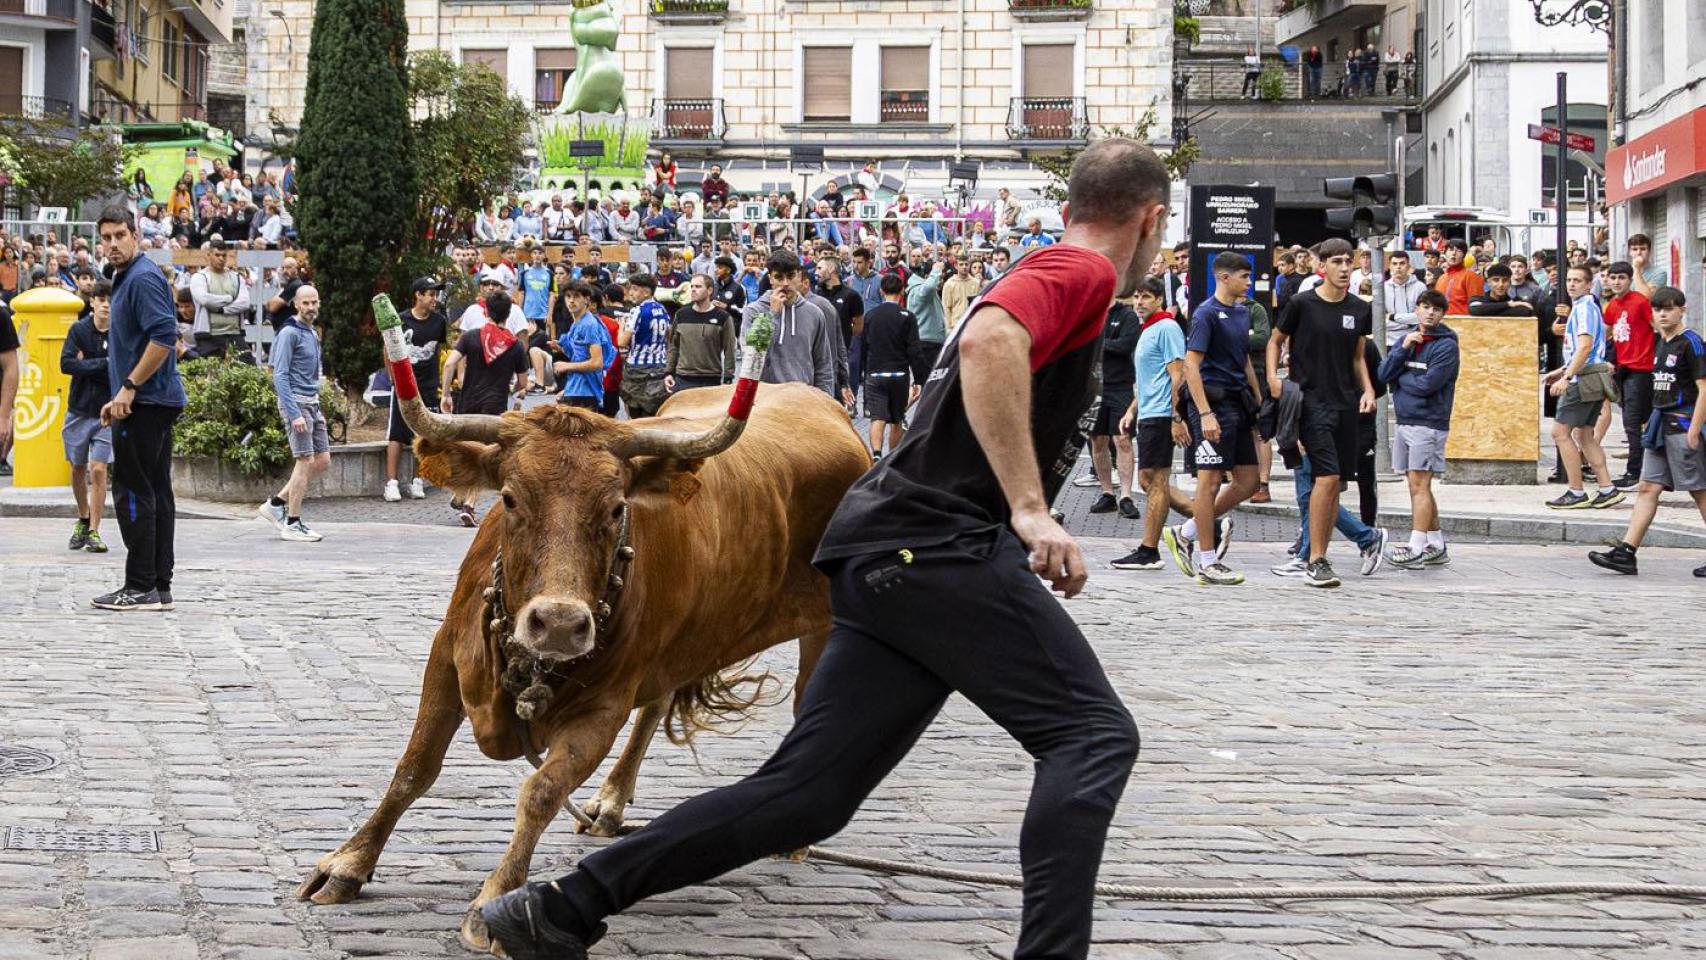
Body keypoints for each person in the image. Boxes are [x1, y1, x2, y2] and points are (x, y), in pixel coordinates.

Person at [483, 136, 1169, 960]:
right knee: (1092, 737)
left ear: (1067, 207)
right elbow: (990, 343)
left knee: (809, 795)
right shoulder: (1085, 271)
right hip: (936, 546)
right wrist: (1029, 507)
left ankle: (557, 908)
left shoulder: (1054, 266)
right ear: (1151, 220)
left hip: (888, 551)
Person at [92, 206, 188, 611]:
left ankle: (140, 585)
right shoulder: (127, 277)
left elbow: (165, 337)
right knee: (156, 492)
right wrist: (118, 394)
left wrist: (129, 388)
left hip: (145, 402)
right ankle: (158, 585)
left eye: (119, 236)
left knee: (133, 491)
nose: (113, 244)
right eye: (106, 237)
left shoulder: (143, 277)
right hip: (146, 400)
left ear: (136, 235)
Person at [1267, 238, 1377, 588]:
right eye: (1338, 262)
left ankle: (1317, 555)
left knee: (1337, 484)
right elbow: (1275, 340)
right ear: (1322, 267)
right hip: (1310, 402)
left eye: (1350, 261)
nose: (1345, 268)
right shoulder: (1301, 303)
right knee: (1325, 478)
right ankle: (1315, 558)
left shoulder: (1360, 308)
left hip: (1346, 402)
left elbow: (1358, 355)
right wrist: (1273, 379)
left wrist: (1369, 390)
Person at [1588, 287, 1706, 577]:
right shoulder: (1659, 343)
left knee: (1699, 491)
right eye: (1658, 309)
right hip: (1659, 425)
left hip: (1682, 424)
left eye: (1669, 308)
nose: (1663, 314)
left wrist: (1694, 429)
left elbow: (1704, 389)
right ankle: (1626, 553)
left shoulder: (1692, 343)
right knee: (1647, 487)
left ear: (1682, 310)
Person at [1163, 252, 1260, 584]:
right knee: (1210, 482)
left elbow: (1244, 360)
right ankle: (1207, 561)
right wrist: (1203, 413)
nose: (1249, 283)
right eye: (1244, 277)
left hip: (1238, 403)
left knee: (1248, 481)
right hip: (1212, 404)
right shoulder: (1205, 314)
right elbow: (1191, 366)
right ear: (1224, 278)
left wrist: (1259, 400)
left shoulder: (1243, 312)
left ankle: (1186, 531)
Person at [1112, 278, 1192, 570]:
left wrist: (1175, 417)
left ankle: (1149, 551)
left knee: (1154, 480)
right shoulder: (1147, 330)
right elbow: (1148, 378)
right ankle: (1209, 522)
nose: (1139, 303)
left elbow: (1177, 375)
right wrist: (1132, 410)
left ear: (1159, 299)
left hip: (1161, 414)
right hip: (1147, 412)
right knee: (1148, 480)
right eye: (1136, 297)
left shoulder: (1167, 327)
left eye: (1145, 297)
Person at [1378, 289, 1459, 567]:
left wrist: (1400, 382)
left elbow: (1428, 385)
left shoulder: (1446, 345)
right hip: (1404, 421)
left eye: (1436, 309)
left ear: (1443, 313)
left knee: (1420, 485)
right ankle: (1435, 543)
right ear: (1416, 309)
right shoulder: (1406, 340)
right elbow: (1383, 374)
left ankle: (1415, 546)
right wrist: (1402, 352)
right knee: (1416, 485)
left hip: (1429, 423)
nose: (1430, 312)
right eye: (1425, 307)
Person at [443, 292, 530, 525]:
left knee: (465, 448)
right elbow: (523, 383)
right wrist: (510, 388)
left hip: (467, 403)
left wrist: (446, 394)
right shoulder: (515, 346)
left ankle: (462, 494)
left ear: (485, 311)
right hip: (495, 407)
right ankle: (469, 504)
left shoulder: (470, 337)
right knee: (482, 453)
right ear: (509, 314)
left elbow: (450, 363)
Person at [1545, 264, 1624, 510]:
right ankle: (1607, 488)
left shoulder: (1585, 308)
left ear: (1589, 285)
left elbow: (1586, 347)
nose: (1571, 284)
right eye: (1569, 280)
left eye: (1578, 280)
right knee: (1584, 434)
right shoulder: (1583, 307)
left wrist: (1566, 377)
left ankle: (1576, 491)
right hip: (1590, 377)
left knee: (1560, 433)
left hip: (1582, 380)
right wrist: (1559, 371)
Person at [256, 286, 330, 543]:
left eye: (314, 302)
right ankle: (293, 522)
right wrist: (293, 412)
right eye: (306, 303)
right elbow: (279, 374)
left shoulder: (311, 332)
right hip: (297, 404)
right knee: (304, 461)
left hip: (312, 402)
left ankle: (276, 504)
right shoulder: (289, 332)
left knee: (322, 461)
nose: (311, 307)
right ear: (296, 304)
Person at [60, 279, 115, 553]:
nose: (105, 304)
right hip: (79, 409)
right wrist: (103, 364)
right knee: (77, 467)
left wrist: (88, 364)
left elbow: (122, 366)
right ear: (92, 302)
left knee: (99, 468)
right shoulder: (78, 330)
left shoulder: (120, 333)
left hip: (108, 411)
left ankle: (94, 529)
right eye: (100, 298)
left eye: (110, 299)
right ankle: (83, 516)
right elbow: (67, 364)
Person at [382, 278, 448, 502]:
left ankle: (418, 479)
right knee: (397, 432)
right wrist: (393, 378)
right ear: (418, 295)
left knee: (424, 432)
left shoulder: (439, 321)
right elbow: (387, 349)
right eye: (430, 294)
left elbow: (440, 349)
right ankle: (391, 482)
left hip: (428, 385)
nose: (434, 299)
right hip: (403, 383)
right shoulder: (401, 320)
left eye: (435, 294)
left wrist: (440, 383)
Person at [740, 250, 837, 398]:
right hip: (765, 402)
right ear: (770, 279)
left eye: (791, 276)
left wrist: (825, 402)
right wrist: (773, 315)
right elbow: (752, 358)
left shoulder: (815, 313)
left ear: (799, 276)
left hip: (803, 402)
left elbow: (823, 366)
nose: (785, 283)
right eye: (779, 277)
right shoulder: (753, 311)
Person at [858, 273, 924, 459]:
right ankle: (891, 457)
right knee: (896, 419)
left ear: (881, 291)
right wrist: (918, 379)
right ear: (902, 291)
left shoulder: (870, 315)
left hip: (876, 373)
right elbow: (914, 350)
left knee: (877, 417)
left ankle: (876, 454)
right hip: (899, 374)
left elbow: (864, 346)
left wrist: (865, 372)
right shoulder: (907, 317)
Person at [1602, 261, 1655, 489]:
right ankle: (1646, 470)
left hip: (1642, 370)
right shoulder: (1612, 306)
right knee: (1638, 423)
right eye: (1612, 278)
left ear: (1630, 279)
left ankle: (1635, 473)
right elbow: (1608, 333)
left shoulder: (1640, 301)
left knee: (1632, 423)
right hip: (1623, 370)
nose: (1616, 282)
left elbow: (1656, 326)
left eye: (1621, 278)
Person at [1088, 296, 1141, 518]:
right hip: (1093, 386)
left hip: (1120, 387)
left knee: (1122, 439)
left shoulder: (1127, 315)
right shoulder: (1089, 313)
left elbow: (1125, 346)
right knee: (1098, 440)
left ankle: (1126, 496)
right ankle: (1107, 493)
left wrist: (1098, 343)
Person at [664, 273, 736, 393]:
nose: (693, 290)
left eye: (698, 287)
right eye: (692, 286)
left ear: (709, 290)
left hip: (711, 379)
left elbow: (730, 349)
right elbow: (673, 346)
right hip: (683, 378)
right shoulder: (681, 315)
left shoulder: (723, 317)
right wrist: (669, 372)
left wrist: (728, 378)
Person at [616, 274, 672, 418]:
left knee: (635, 413)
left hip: (637, 368)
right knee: (654, 413)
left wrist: (621, 324)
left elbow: (622, 342)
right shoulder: (662, 309)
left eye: (634, 289)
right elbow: (669, 335)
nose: (630, 293)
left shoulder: (638, 311)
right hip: (659, 366)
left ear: (646, 292)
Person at [553, 282, 613, 410]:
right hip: (576, 389)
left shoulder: (588, 324)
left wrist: (565, 366)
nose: (571, 300)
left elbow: (597, 363)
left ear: (587, 300)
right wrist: (561, 348)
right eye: (568, 296)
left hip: (585, 393)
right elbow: (581, 356)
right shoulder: (577, 322)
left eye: (576, 296)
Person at [188, 238, 251, 358]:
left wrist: (221, 309)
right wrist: (229, 298)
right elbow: (204, 299)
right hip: (208, 336)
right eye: (217, 255)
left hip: (234, 333)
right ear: (209, 255)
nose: (221, 259)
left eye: (224, 255)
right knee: (209, 374)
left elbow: (244, 303)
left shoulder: (236, 277)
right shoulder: (199, 277)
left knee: (248, 367)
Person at [1382, 251, 1427, 342]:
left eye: (1402, 263)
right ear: (1390, 266)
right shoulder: (1383, 288)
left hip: (1414, 338)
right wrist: (1408, 323)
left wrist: (1392, 317)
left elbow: (1421, 316)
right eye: (1394, 264)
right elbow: (1380, 321)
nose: (1398, 267)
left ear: (1408, 266)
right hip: (1388, 340)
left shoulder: (1420, 287)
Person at [1433, 239, 1484, 315]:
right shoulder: (1441, 278)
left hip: (1463, 323)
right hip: (1441, 322)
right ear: (1445, 253)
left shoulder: (1472, 277)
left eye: (1459, 251)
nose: (1453, 253)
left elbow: (1477, 308)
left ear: (1464, 255)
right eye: (1450, 249)